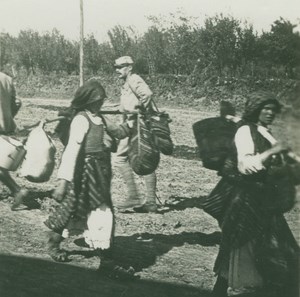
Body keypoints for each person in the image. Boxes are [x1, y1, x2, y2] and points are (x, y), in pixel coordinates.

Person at [201, 91, 299, 297]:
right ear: (255, 110)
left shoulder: (265, 132)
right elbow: (245, 166)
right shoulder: (245, 131)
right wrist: (272, 153)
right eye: (266, 108)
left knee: (245, 256)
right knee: (248, 254)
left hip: (263, 201)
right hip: (246, 202)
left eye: (273, 109)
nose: (270, 113)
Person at [44, 80, 135, 277]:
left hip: (100, 172)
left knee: (76, 208)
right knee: (97, 211)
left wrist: (132, 122)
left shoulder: (99, 118)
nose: (100, 103)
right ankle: (107, 261)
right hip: (84, 173)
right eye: (98, 100)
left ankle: (54, 241)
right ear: (89, 101)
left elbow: (118, 132)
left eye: (102, 100)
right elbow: (71, 151)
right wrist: (63, 181)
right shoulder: (81, 120)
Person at [114, 56, 158, 213]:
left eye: (120, 67)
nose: (117, 70)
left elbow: (147, 94)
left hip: (139, 126)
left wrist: (139, 111)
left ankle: (134, 196)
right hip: (132, 125)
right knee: (144, 157)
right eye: (116, 67)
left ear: (129, 67)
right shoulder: (126, 84)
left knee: (121, 159)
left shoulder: (134, 79)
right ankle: (150, 201)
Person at [0, 71, 28, 210]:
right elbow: (17, 102)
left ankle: (17, 190)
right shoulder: (6, 79)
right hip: (4, 125)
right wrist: (8, 116)